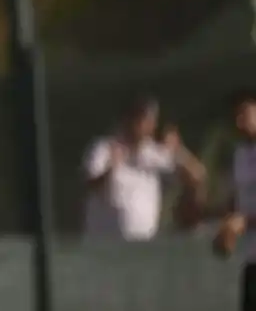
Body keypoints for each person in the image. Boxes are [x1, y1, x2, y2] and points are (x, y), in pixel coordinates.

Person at [83, 96, 206, 240]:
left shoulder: (153, 152)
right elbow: (89, 185)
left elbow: (197, 176)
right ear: (128, 120)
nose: (146, 125)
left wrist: (178, 150)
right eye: (141, 119)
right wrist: (111, 168)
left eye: (150, 120)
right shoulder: (104, 148)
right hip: (105, 244)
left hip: (144, 247)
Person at [211, 89, 256, 311]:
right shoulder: (241, 154)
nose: (241, 121)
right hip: (253, 253)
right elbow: (238, 200)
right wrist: (227, 224)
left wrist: (241, 223)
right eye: (236, 115)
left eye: (247, 112)